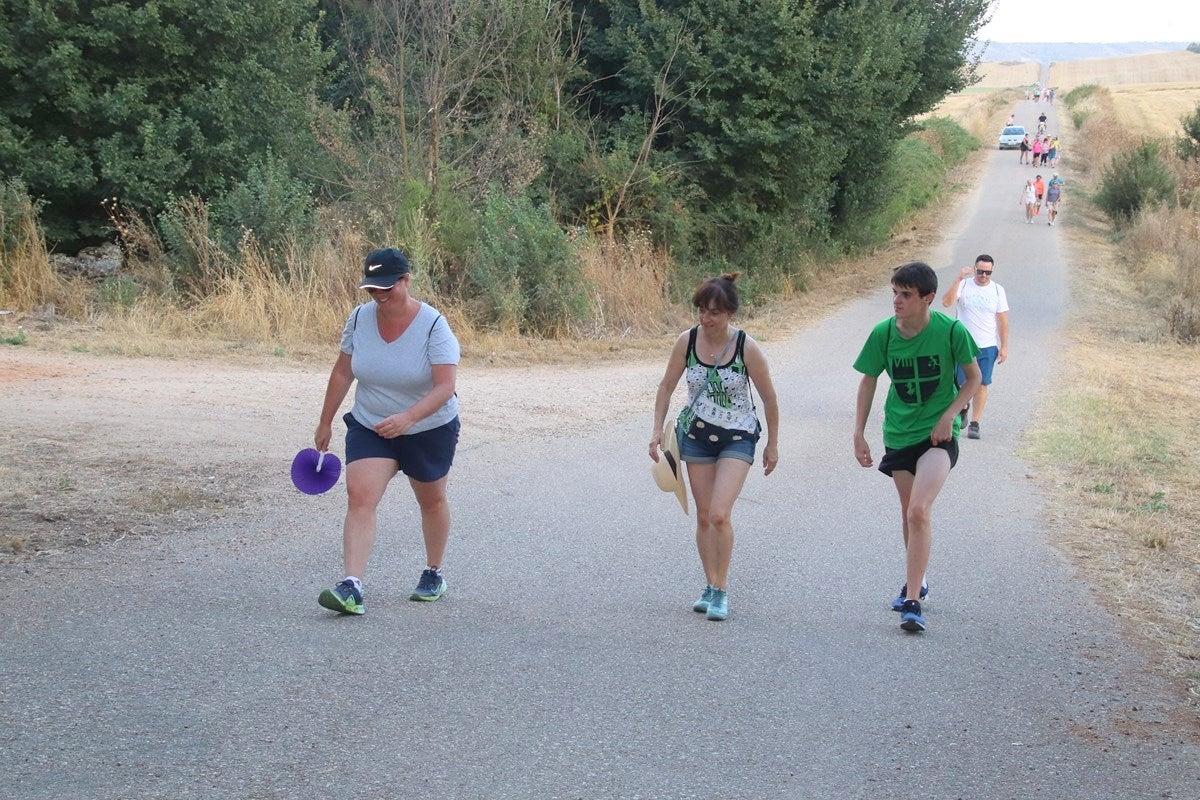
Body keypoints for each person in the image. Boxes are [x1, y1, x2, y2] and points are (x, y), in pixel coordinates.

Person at [314, 247, 461, 616]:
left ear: (406, 280)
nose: (379, 295)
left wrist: (409, 418)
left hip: (427, 425)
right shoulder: (360, 319)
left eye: (387, 287)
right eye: (372, 289)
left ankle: (433, 572)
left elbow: (445, 386)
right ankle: (352, 586)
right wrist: (325, 420)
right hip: (372, 422)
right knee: (359, 494)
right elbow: (342, 372)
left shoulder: (433, 325)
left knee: (431, 500)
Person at [853, 262, 981, 633]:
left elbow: (973, 379)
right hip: (899, 434)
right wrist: (859, 433)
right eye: (894, 292)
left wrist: (950, 415)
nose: (897, 300)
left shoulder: (951, 331)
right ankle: (918, 578)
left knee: (920, 509)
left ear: (927, 299)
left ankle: (912, 601)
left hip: (938, 436)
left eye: (906, 294)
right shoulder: (883, 334)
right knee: (910, 512)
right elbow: (868, 381)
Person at [650, 273, 780, 622]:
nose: (705, 319)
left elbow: (768, 398)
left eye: (714, 313)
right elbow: (665, 387)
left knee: (721, 513)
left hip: (737, 436)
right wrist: (655, 431)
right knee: (705, 516)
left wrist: (772, 445)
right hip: (696, 436)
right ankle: (708, 584)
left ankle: (721, 590)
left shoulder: (746, 348)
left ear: (730, 314)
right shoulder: (687, 342)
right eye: (701, 311)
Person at [940, 255, 1009, 440]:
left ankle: (975, 423)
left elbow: (1002, 320)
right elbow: (946, 302)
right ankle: (962, 408)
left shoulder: (997, 290)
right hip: (963, 345)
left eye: (988, 272)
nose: (984, 275)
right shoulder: (964, 285)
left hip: (987, 345)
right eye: (980, 271)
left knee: (982, 384)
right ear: (974, 269)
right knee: (959, 383)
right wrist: (958, 278)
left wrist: (1004, 347)